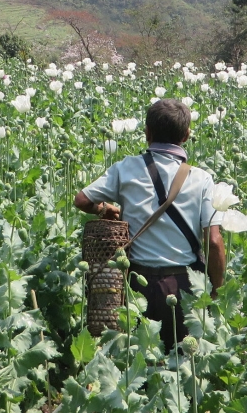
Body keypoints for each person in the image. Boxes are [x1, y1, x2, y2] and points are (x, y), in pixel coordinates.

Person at [73, 98, 226, 349]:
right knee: (182, 360)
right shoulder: (202, 179)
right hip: (184, 286)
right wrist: (216, 289)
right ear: (186, 135)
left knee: (138, 358)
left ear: (147, 133)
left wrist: (105, 208)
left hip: (136, 286)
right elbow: (214, 241)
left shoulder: (125, 168)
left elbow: (81, 200)